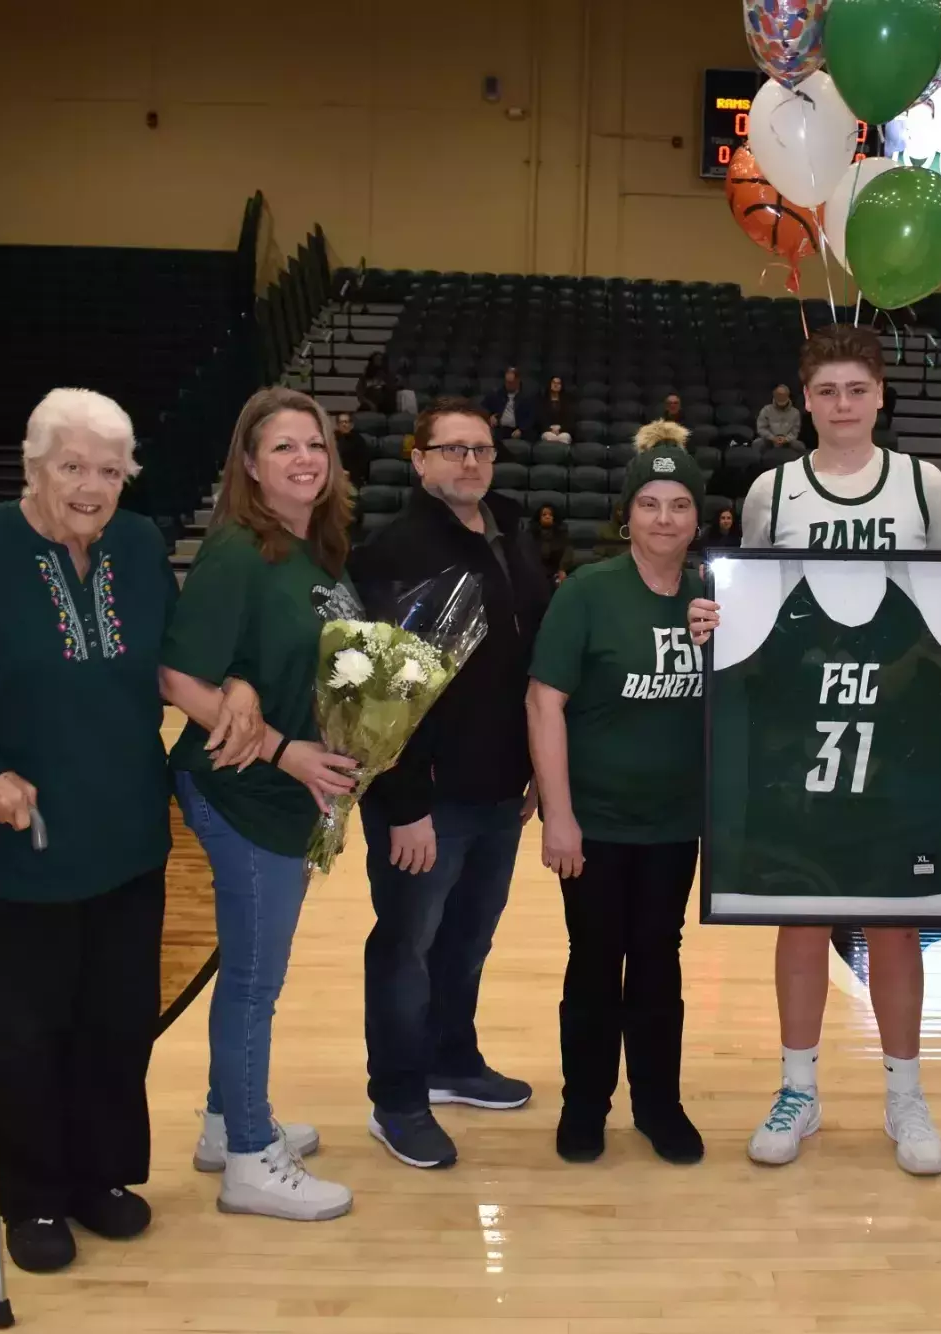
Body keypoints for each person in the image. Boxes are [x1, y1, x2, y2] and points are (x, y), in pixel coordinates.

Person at [0, 389, 251, 1273]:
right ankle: (32, 1197)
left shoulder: (134, 544)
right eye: (72, 467)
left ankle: (100, 1178)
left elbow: (173, 655)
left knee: (117, 1021)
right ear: (34, 465)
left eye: (109, 470)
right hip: (15, 845)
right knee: (19, 1030)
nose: (91, 487)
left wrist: (234, 683)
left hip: (124, 834)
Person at [686, 324, 941, 1177]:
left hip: (897, 720)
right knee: (802, 912)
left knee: (899, 920)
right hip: (801, 722)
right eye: (825, 392)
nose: (841, 406)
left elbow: (940, 599)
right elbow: (753, 602)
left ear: (881, 396)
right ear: (803, 400)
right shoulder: (774, 491)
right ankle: (800, 1088)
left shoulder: (921, 483)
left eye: (856, 390)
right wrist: (711, 622)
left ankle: (905, 1092)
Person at [160, 386, 359, 1223]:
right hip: (243, 791)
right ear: (249, 464)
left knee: (253, 975)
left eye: (313, 444)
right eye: (282, 447)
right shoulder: (239, 551)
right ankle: (248, 1158)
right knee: (251, 981)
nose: (303, 459)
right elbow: (176, 678)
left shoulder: (315, 552)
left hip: (291, 797)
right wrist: (284, 748)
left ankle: (220, 1123)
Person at [349, 398, 551, 1170]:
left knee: (468, 940)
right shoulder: (392, 552)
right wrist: (402, 806)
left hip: (499, 790)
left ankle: (450, 1062)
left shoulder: (507, 533)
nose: (470, 462)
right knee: (406, 948)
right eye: (453, 450)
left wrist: (533, 770)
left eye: (481, 450)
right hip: (426, 800)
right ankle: (397, 1098)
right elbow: (374, 695)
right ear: (420, 458)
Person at [528, 423, 710, 1167]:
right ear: (626, 514)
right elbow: (544, 703)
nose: (664, 518)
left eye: (679, 505)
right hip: (596, 823)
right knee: (596, 960)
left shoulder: (715, 596)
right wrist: (558, 815)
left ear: (700, 517)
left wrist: (725, 646)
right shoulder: (589, 594)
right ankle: (584, 1107)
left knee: (659, 960)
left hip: (674, 824)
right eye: (650, 504)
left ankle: (658, 1106)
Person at [482, 367, 536, 440]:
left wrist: (521, 429)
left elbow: (531, 417)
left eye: (511, 382)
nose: (508, 385)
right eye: (506, 382)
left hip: (518, 430)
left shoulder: (527, 396)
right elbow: (483, 407)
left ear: (517, 381)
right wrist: (490, 416)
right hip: (500, 429)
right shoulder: (497, 394)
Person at [535, 503, 573, 582]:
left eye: (550, 515)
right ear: (539, 518)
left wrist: (562, 569)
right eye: (544, 515)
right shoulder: (531, 533)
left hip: (556, 570)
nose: (547, 517)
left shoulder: (562, 533)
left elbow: (568, 551)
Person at [538, 375, 576, 445]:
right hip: (547, 430)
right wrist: (550, 428)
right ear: (550, 385)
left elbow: (570, 419)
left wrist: (560, 428)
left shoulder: (567, 401)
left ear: (561, 386)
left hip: (563, 431)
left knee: (564, 437)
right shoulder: (543, 401)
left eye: (558, 383)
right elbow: (540, 418)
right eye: (554, 383)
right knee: (549, 436)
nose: (556, 385)